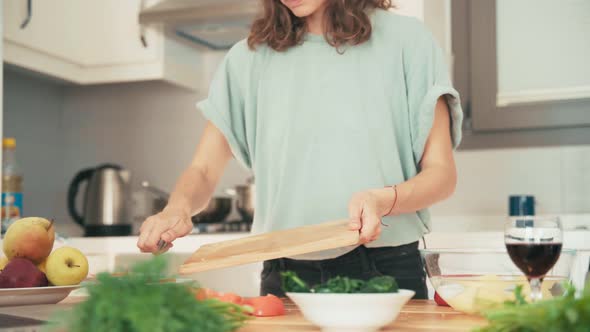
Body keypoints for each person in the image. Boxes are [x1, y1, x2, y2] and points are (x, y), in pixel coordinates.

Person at [137, 0, 463, 299]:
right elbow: (204, 170)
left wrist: (384, 200)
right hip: (283, 275)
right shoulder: (246, 60)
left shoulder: (408, 42)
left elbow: (441, 174)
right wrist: (176, 208)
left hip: (386, 270)